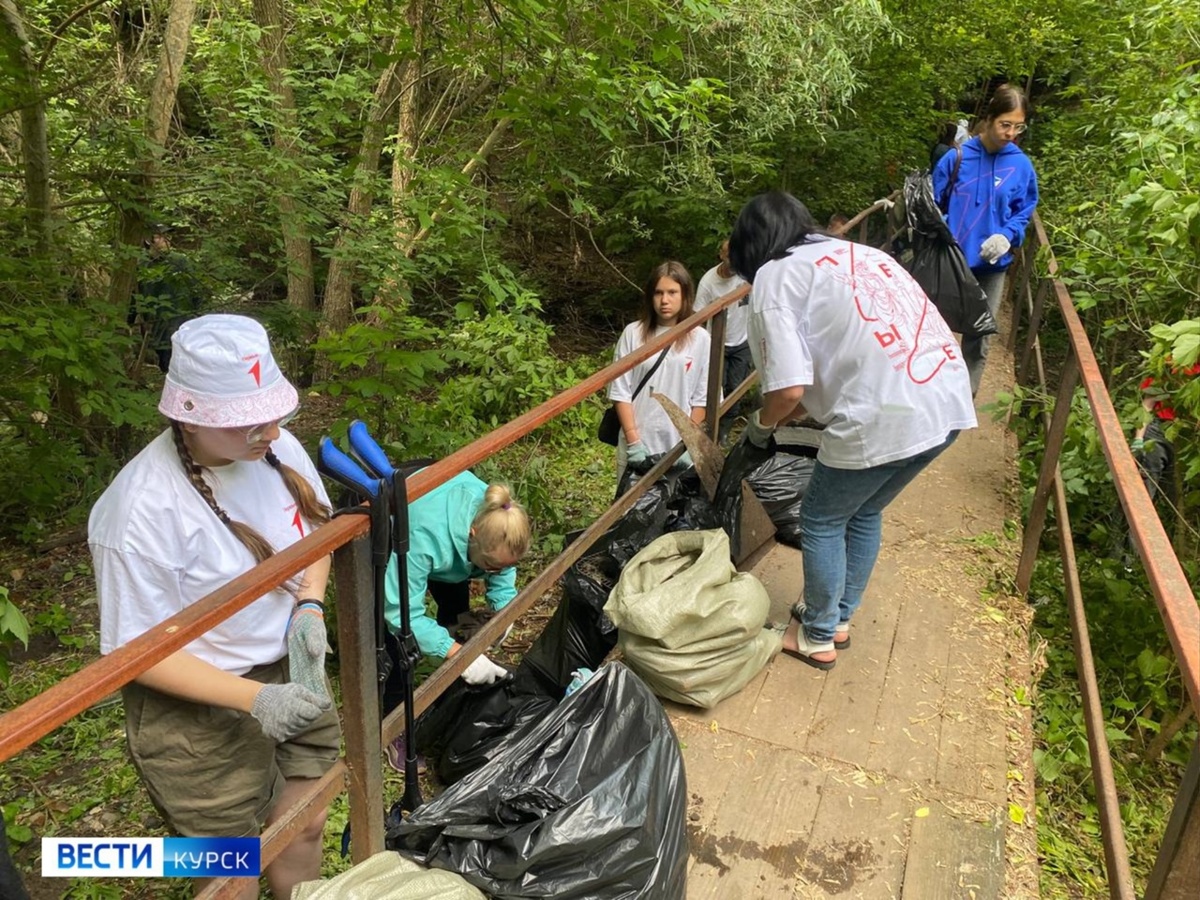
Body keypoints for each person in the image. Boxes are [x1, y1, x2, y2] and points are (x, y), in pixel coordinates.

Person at [90, 314, 337, 899]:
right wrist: (256, 699)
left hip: (291, 668)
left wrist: (309, 604)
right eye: (246, 423)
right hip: (198, 706)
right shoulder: (140, 511)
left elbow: (316, 532)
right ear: (188, 417)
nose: (269, 432)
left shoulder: (275, 446)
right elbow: (136, 654)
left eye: (273, 415)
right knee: (230, 866)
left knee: (305, 824)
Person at [729, 191, 977, 669]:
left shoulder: (774, 278)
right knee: (863, 511)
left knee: (822, 518)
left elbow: (787, 391)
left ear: (750, 247)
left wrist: (760, 428)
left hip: (886, 414)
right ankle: (837, 617)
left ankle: (817, 635)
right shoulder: (852, 252)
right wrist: (790, 411)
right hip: (945, 396)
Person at [380, 473, 531, 770]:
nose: (495, 571)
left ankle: (453, 698)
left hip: (459, 554)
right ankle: (393, 726)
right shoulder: (424, 536)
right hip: (411, 530)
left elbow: (503, 565)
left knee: (455, 613)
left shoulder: (500, 518)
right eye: (490, 567)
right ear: (473, 534)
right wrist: (459, 655)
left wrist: (504, 608)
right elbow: (401, 615)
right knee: (396, 646)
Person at [932, 85, 1039, 396]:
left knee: (982, 333)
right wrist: (943, 228)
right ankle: (929, 389)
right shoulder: (957, 158)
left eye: (1018, 127)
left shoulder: (1020, 166)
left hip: (992, 265)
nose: (1011, 133)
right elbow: (932, 205)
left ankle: (964, 397)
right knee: (936, 326)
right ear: (989, 119)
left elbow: (1025, 209)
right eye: (1005, 124)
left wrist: (1007, 235)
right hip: (951, 262)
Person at [609, 261, 711, 483]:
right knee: (630, 511)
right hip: (637, 439)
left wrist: (690, 443)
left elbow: (701, 398)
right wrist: (634, 441)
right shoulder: (633, 334)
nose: (665, 300)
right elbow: (620, 391)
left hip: (677, 442)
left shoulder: (700, 338)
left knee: (674, 512)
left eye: (672, 292)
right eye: (658, 293)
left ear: (685, 295)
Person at [127, 223, 206, 373]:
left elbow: (196, 289)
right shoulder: (141, 263)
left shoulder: (180, 261)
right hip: (153, 326)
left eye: (167, 236)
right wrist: (128, 321)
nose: (166, 240)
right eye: (160, 237)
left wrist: (197, 316)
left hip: (179, 324)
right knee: (160, 367)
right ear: (148, 241)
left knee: (178, 367)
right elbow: (134, 295)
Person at [694, 240, 752, 429]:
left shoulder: (748, 272)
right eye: (731, 256)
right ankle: (712, 428)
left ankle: (724, 432)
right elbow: (697, 317)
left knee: (735, 388)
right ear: (722, 255)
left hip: (742, 340)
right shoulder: (709, 282)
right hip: (717, 342)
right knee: (715, 389)